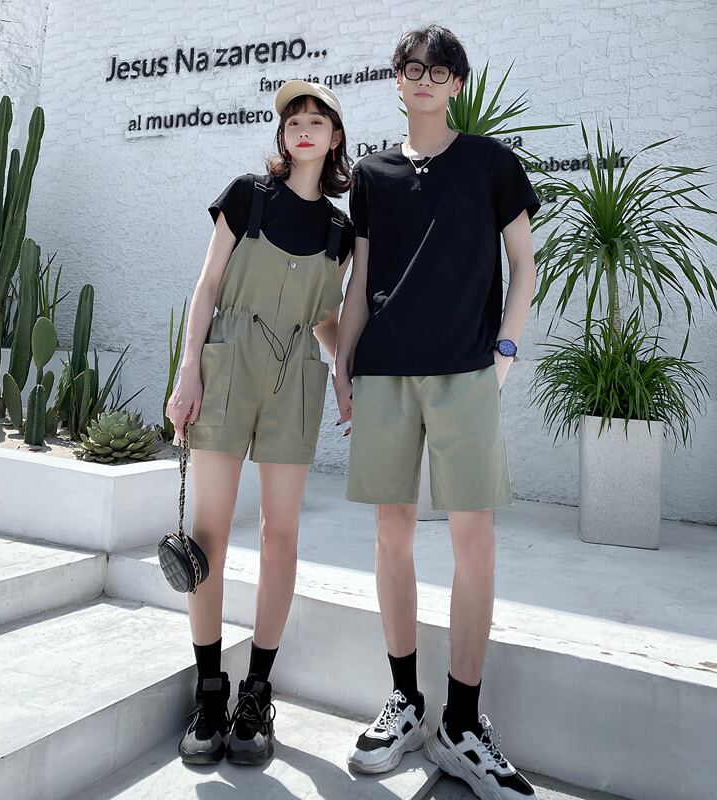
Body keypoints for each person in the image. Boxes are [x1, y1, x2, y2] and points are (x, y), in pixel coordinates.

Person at [334, 25, 540, 799]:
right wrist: (342, 364)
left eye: (439, 69)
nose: (425, 78)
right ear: (397, 79)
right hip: (385, 369)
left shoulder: (491, 163)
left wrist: (505, 353)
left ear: (456, 83)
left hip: (466, 371)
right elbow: (360, 283)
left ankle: (461, 722)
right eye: (412, 67)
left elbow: (524, 264)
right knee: (391, 534)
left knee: (472, 537)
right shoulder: (372, 176)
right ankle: (405, 701)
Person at [165, 79, 354, 767]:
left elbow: (326, 318)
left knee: (281, 535)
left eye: (316, 121)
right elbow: (208, 285)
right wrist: (189, 368)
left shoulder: (340, 231)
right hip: (226, 363)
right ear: (283, 135)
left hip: (295, 376)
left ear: (334, 138)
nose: (302, 129)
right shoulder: (247, 195)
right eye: (293, 120)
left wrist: (343, 373)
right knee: (209, 533)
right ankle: (210, 691)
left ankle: (256, 694)